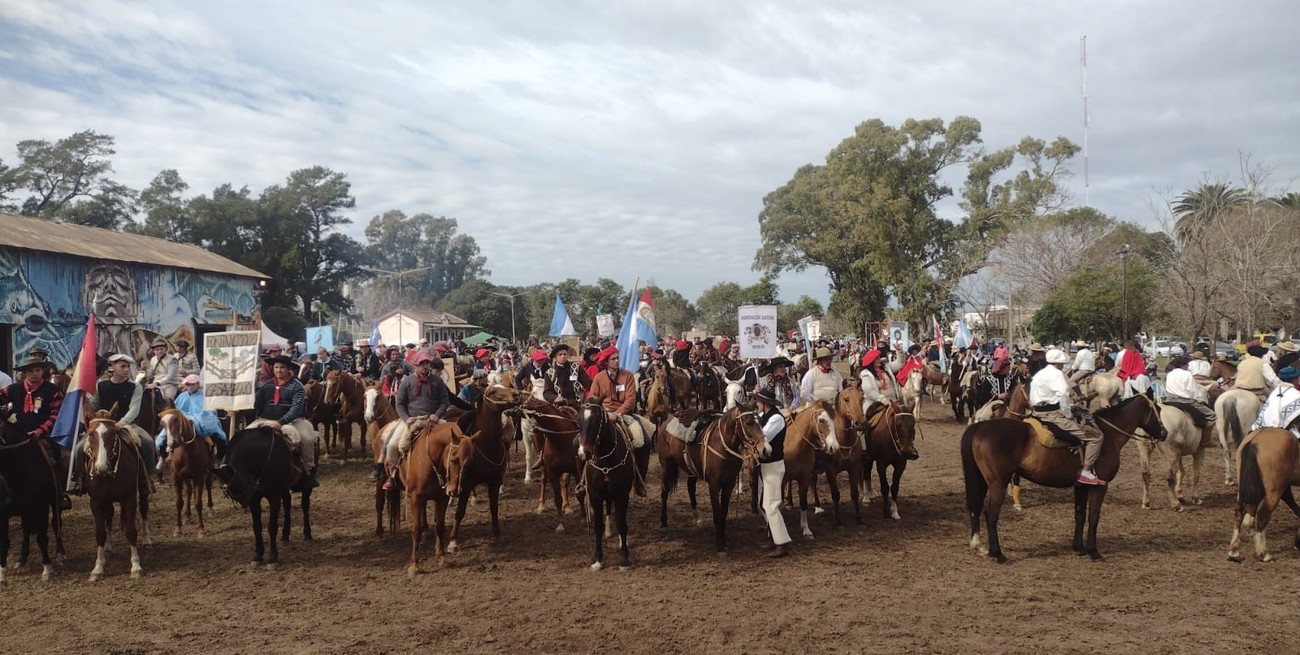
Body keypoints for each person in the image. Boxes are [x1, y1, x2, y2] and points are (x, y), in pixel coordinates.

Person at [85, 354, 159, 493]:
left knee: (148, 441)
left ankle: (148, 476)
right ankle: (80, 480)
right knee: (79, 448)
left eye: (128, 367)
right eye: (122, 366)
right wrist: (86, 401)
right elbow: (95, 405)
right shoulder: (101, 385)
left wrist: (121, 423)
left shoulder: (135, 386)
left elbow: (134, 409)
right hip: (102, 425)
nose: (126, 370)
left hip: (127, 424)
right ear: (113, 367)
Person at [1030, 349, 1103, 485]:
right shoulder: (1057, 374)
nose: (1063, 366)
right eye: (1062, 363)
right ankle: (1086, 471)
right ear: (1058, 363)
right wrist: (1067, 414)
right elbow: (1063, 394)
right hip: (1052, 414)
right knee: (1096, 437)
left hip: (1037, 412)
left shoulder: (1039, 374)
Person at [0, 356, 67, 504]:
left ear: (43, 371)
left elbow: (56, 415)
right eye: (30, 371)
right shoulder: (13, 389)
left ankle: (58, 493)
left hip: (43, 436)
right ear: (25, 373)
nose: (34, 374)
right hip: (16, 435)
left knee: (60, 455)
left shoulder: (53, 391)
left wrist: (39, 431)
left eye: (38, 370)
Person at [244, 354, 318, 488]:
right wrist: (242, 405)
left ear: (289, 369)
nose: (278, 370)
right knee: (245, 435)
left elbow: (296, 408)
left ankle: (308, 471)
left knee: (307, 438)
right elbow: (257, 403)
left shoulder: (297, 386)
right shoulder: (267, 385)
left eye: (282, 367)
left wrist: (281, 421)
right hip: (266, 418)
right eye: (276, 367)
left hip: (293, 420)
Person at [586, 346, 647, 496]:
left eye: (617, 358)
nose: (617, 360)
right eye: (613, 358)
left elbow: (631, 399)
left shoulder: (628, 376)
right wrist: (602, 412)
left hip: (624, 414)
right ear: (606, 362)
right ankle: (583, 481)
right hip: (603, 414)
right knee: (581, 440)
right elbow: (592, 398)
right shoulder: (599, 377)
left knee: (643, 440)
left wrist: (618, 414)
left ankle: (639, 482)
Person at [387, 352, 450, 487]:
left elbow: (445, 401)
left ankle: (453, 476)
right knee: (393, 445)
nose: (425, 367)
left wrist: (437, 414)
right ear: (415, 365)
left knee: (453, 440)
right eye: (422, 364)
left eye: (427, 364)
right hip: (412, 420)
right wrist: (406, 418)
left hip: (433, 420)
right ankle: (392, 475)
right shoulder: (407, 381)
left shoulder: (437, 381)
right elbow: (399, 404)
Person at [753, 388, 793, 558]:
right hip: (767, 465)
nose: (757, 404)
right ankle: (775, 538)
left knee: (772, 505)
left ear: (765, 403)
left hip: (774, 465)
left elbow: (763, 436)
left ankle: (782, 543)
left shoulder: (776, 418)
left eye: (758, 402)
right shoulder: (765, 417)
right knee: (766, 504)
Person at [157, 374, 228, 465]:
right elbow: (175, 410)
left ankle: (219, 457)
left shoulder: (204, 395)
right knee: (165, 433)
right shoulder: (182, 396)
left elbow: (211, 411)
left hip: (202, 418)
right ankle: (162, 457)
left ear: (197, 384)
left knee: (219, 434)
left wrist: (197, 417)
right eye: (188, 385)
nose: (190, 387)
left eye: (192, 384)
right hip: (182, 419)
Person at [1163, 355, 1217, 446]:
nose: (1188, 366)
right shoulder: (1187, 374)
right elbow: (1193, 390)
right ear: (1183, 365)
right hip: (1185, 401)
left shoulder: (1170, 374)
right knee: (1212, 415)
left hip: (1170, 400)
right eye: (1187, 364)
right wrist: (1199, 399)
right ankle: (1205, 440)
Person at [1251, 367, 1300, 433]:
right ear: (1293, 379)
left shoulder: (1275, 392)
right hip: (1283, 428)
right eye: (1297, 377)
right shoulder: (1295, 393)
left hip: (1265, 425)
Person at [142, 337, 181, 403]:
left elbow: (170, 376)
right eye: (157, 350)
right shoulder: (153, 359)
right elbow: (150, 375)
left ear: (165, 349)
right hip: (155, 383)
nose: (160, 351)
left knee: (168, 399)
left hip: (170, 384)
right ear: (154, 351)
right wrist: (146, 369)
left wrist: (157, 383)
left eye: (161, 349)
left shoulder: (172, 359)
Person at [858, 349, 893, 419]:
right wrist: (883, 400)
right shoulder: (865, 373)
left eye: (879, 357)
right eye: (877, 358)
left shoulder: (886, 368)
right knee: (867, 425)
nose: (879, 359)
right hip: (875, 405)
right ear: (871, 361)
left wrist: (900, 351)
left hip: (893, 402)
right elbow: (868, 391)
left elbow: (900, 363)